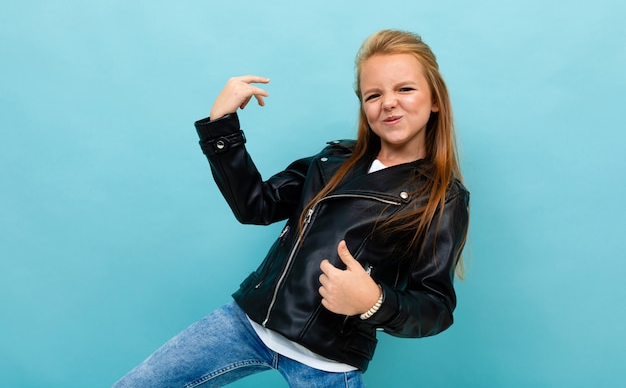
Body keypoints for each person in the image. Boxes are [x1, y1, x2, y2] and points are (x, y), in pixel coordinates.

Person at [112, 29, 470, 388]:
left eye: (405, 89)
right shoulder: (333, 159)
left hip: (328, 362)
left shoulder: (443, 197)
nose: (388, 103)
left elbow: (435, 307)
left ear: (435, 99)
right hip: (248, 323)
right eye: (373, 94)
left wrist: (374, 301)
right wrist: (222, 128)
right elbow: (257, 205)